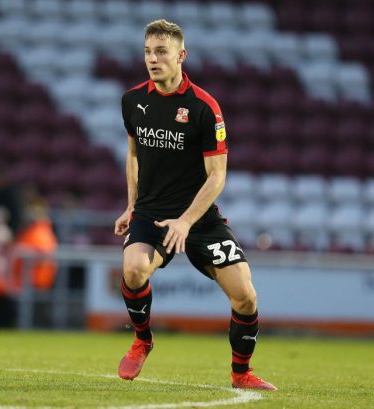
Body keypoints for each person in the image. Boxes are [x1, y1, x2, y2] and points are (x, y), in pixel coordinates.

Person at [114, 19, 277, 391]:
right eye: (147, 52)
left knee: (246, 296)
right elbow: (134, 153)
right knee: (135, 269)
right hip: (152, 212)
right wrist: (130, 205)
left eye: (161, 51)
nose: (152, 59)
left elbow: (217, 175)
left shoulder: (205, 108)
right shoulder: (132, 101)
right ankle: (142, 339)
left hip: (199, 219)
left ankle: (241, 373)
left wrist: (186, 222)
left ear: (181, 55)